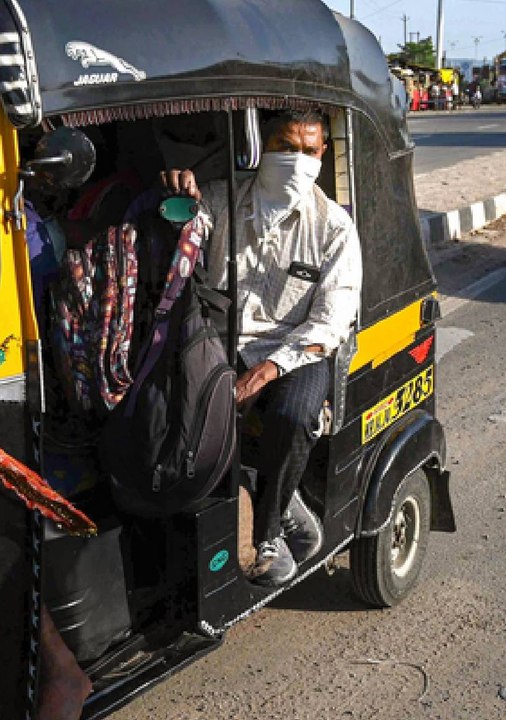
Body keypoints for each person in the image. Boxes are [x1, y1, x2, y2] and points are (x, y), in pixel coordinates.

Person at [160, 108, 363, 586]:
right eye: (285, 149)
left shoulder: (333, 226)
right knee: (182, 409)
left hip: (296, 346)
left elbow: (330, 320)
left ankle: (268, 533)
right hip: (224, 337)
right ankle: (248, 497)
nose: (297, 162)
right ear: (261, 148)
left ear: (323, 154)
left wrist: (268, 369)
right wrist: (176, 203)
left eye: (308, 151)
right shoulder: (220, 198)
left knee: (293, 416)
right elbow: (186, 234)